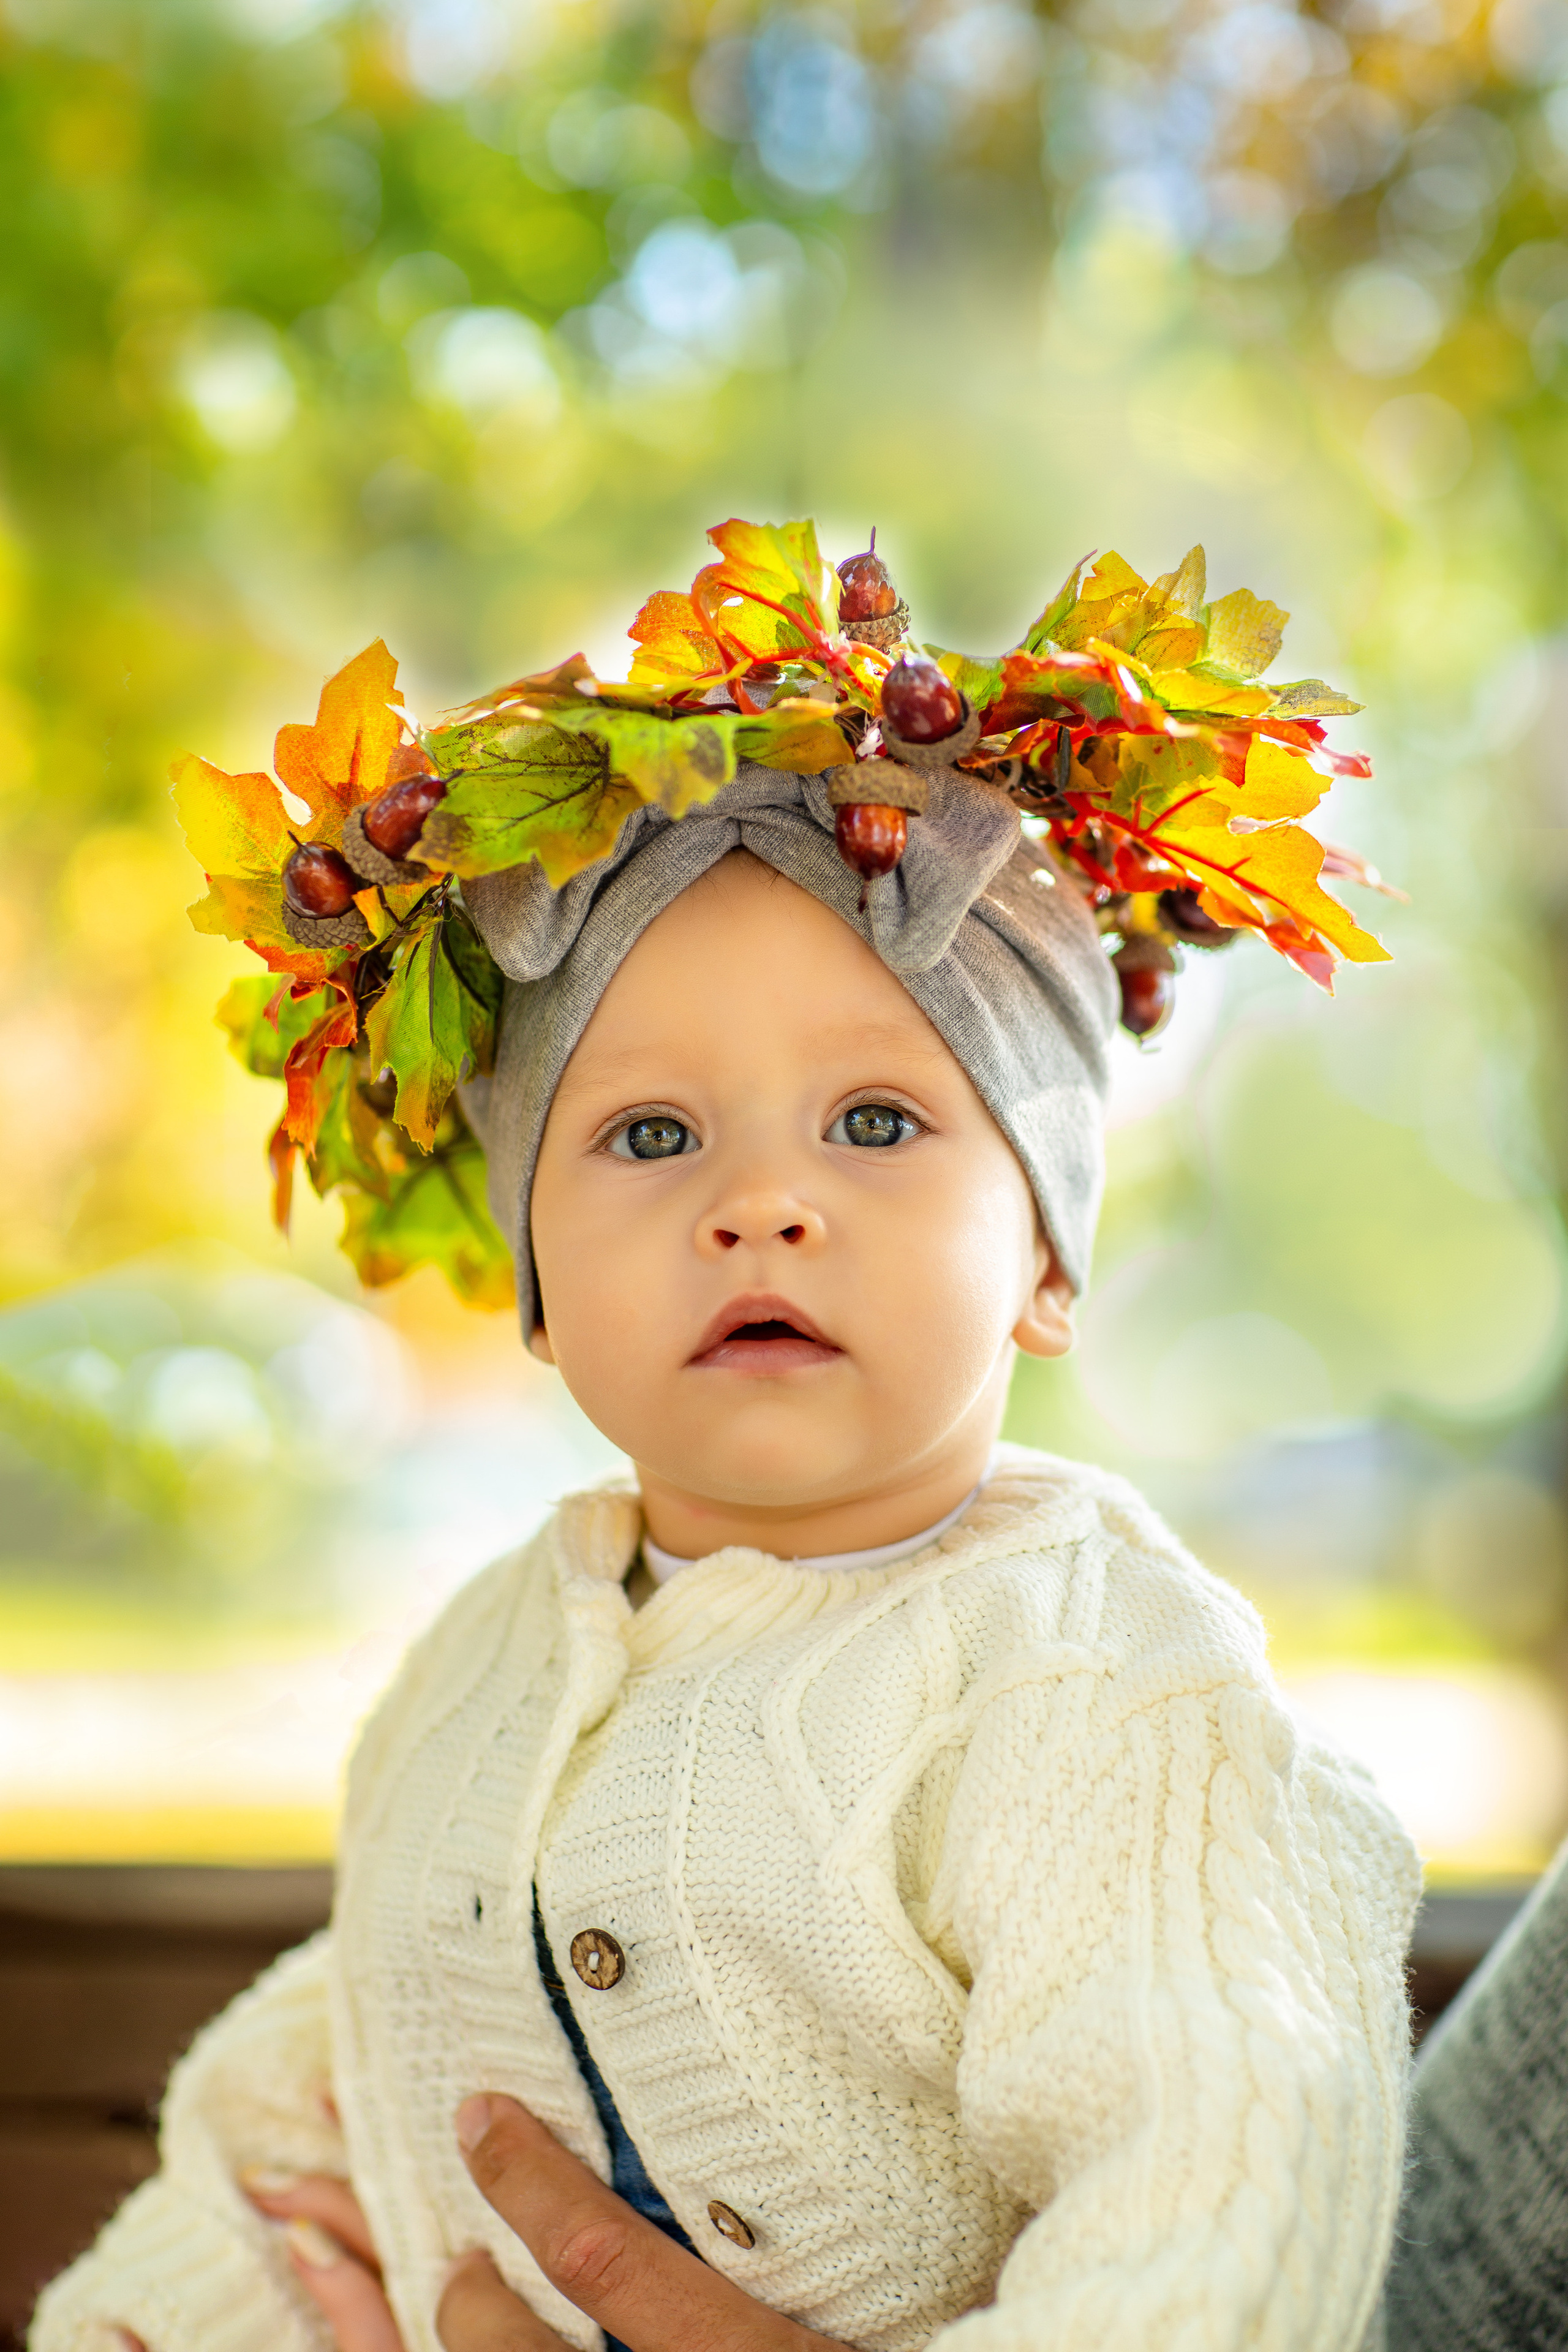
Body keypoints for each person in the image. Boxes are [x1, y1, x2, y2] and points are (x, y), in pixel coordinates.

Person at [32, 757, 1419, 2352]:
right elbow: (340, 2065)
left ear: (1045, 1257)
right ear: (538, 1290)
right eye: (650, 1133)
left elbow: (1222, 2197)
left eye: (876, 1120)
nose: (760, 1202)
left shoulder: (1102, 1684)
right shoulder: (483, 1659)